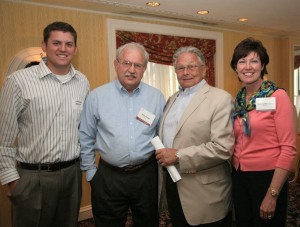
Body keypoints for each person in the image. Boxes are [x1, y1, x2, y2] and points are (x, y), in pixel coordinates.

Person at [0, 21, 90, 227]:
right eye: (56, 43)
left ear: (75, 49)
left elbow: (83, 129)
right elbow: (3, 137)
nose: (63, 49)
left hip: (71, 175)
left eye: (69, 44)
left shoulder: (82, 82)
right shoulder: (18, 81)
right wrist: (12, 181)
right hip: (32, 177)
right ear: (44, 46)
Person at [79, 42, 165, 227]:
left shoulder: (156, 97)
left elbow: (161, 134)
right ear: (116, 64)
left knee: (148, 221)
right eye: (126, 63)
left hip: (145, 175)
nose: (131, 70)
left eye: (138, 65)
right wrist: (91, 173)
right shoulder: (97, 97)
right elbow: (85, 136)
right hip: (109, 176)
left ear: (144, 69)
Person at [155, 46, 234, 227]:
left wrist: (178, 155)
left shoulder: (221, 99)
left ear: (204, 69)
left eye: (192, 67)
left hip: (206, 193)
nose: (186, 72)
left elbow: (223, 148)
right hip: (174, 184)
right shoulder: (172, 98)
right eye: (180, 68)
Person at [230, 37, 296, 226]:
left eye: (254, 61)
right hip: (240, 176)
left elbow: (288, 148)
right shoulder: (240, 99)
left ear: (263, 65)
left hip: (268, 178)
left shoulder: (278, 96)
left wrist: (272, 193)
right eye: (242, 61)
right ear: (236, 67)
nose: (247, 67)